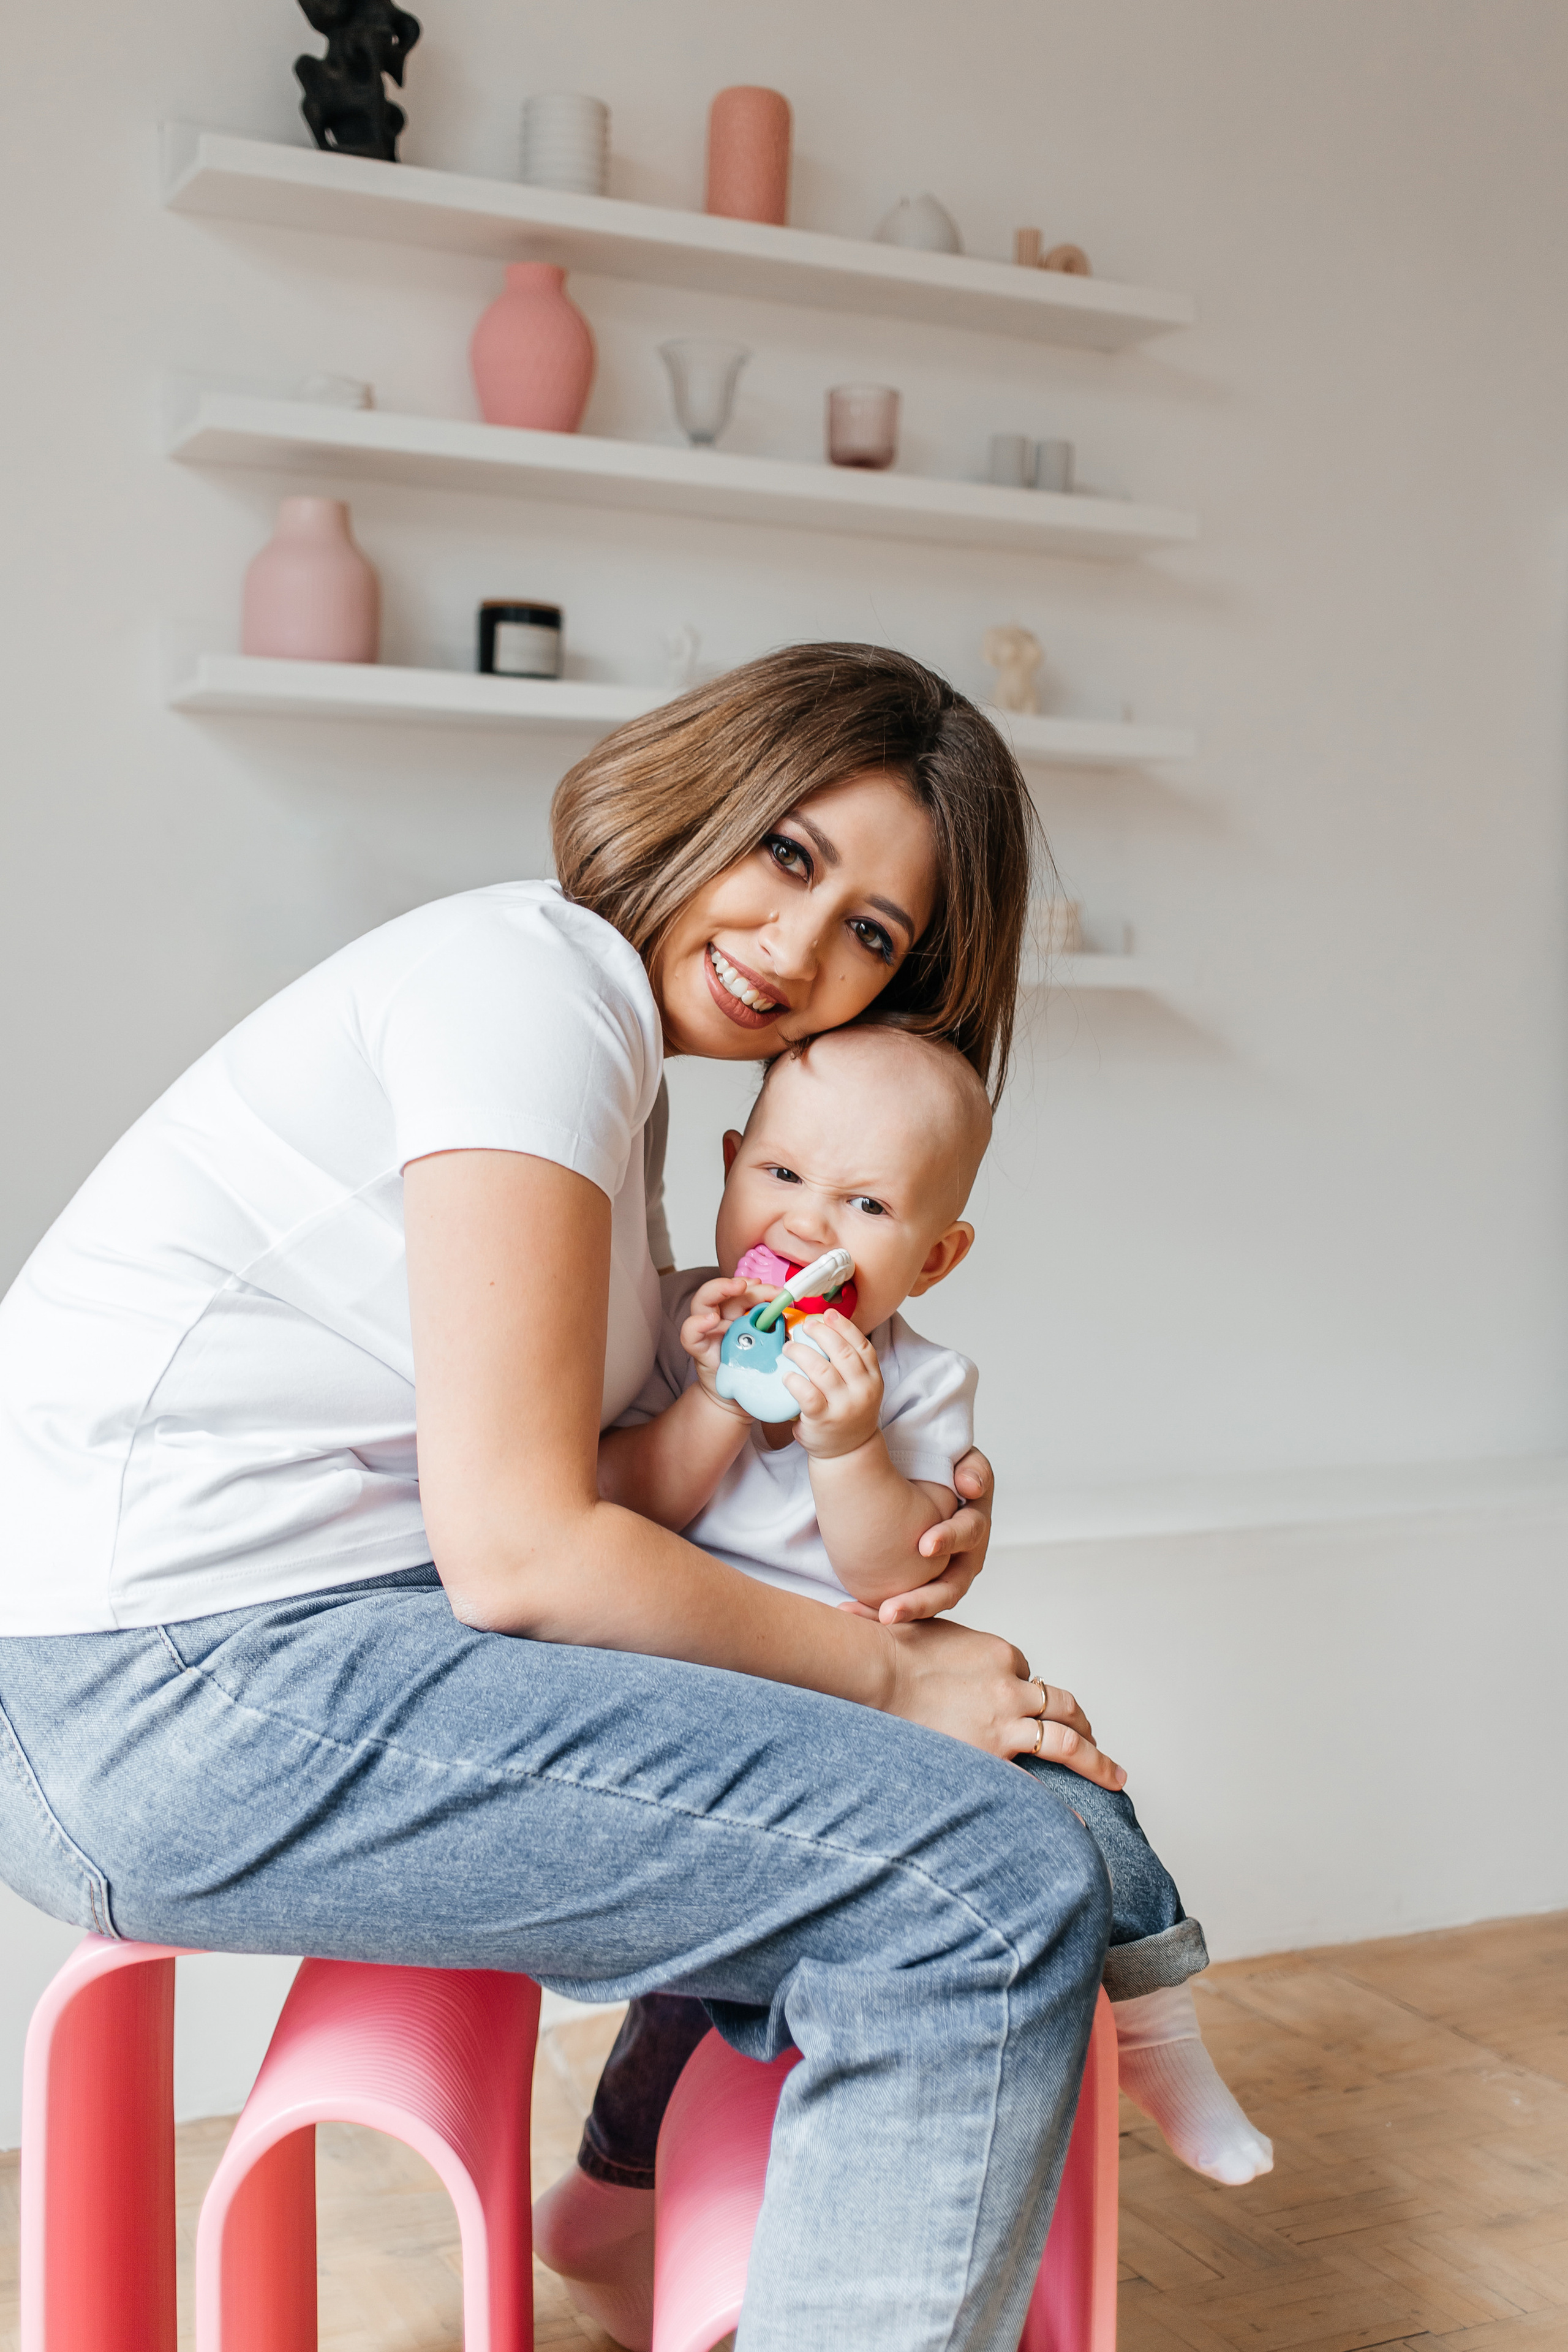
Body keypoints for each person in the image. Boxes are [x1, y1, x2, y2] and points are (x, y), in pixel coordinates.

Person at [0, 644, 1125, 2352]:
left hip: (219, 1660)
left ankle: (626, 2206)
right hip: (167, 1693)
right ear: (708, 791)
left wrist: (869, 1507)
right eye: (789, 855)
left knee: (992, 1818)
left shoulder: (591, 1046)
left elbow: (560, 1493)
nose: (795, 949)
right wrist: (894, 1677)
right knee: (981, 1889)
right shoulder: (532, 995)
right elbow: (524, 1556)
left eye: (870, 934)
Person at [535, 1023, 1272, 2346]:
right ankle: (605, 2192)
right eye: (779, 1176)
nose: (807, 1223)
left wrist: (846, 1441)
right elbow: (618, 1505)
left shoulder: (919, 1382)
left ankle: (1159, 2032)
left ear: (933, 1256)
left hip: (869, 1703)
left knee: (1066, 1784)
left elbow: (893, 1576)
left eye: (866, 1206)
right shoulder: (670, 1322)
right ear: (727, 1167)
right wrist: (716, 1399)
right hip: (700, 1707)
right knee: (690, 1981)